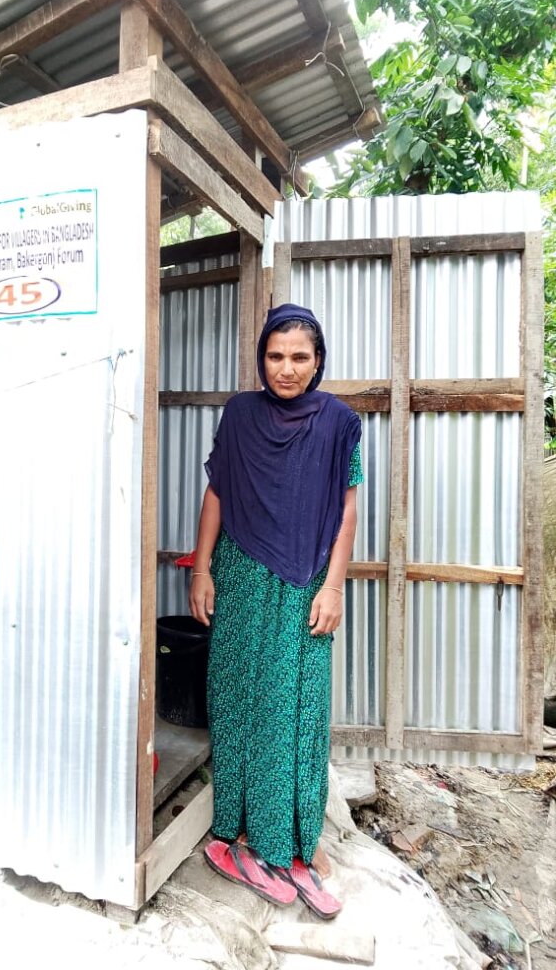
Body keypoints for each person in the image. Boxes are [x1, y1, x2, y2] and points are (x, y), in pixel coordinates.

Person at [188, 303, 363, 912]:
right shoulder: (240, 415)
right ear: (262, 357)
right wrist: (202, 568)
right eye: (275, 356)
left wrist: (334, 586)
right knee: (239, 699)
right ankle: (236, 834)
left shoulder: (340, 422)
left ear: (318, 362)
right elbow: (216, 492)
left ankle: (290, 840)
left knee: (297, 707)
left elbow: (346, 512)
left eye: (300, 357)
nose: (286, 369)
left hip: (306, 584)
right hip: (240, 574)